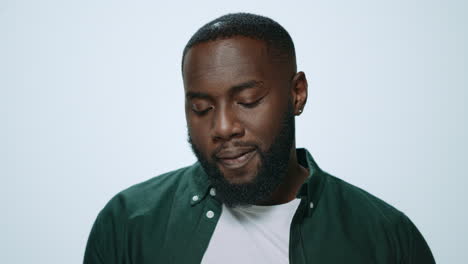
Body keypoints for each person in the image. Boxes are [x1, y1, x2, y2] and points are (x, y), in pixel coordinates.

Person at [83, 13, 435, 264]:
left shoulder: (385, 238)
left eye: (247, 101)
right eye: (202, 107)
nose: (223, 127)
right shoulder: (128, 224)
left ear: (297, 94)